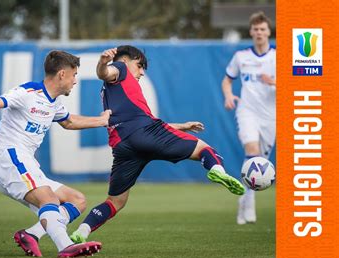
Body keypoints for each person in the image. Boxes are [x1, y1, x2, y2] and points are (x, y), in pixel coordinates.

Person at [70, 45, 245, 243]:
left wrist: (182, 126)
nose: (142, 72)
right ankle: (218, 171)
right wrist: (103, 62)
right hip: (145, 133)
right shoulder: (121, 67)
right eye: (140, 65)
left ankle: (82, 231)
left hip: (123, 145)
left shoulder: (118, 92)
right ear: (126, 61)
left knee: (115, 202)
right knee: (204, 149)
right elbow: (105, 73)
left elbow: (148, 123)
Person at [0, 50, 110, 258]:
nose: (75, 81)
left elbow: (69, 122)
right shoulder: (28, 93)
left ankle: (31, 234)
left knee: (77, 200)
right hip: (10, 159)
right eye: (74, 75)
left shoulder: (54, 102)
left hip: (26, 163)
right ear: (62, 74)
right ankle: (65, 246)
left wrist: (102, 121)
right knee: (49, 200)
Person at [221, 11, 276, 225]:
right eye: (256, 29)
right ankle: (250, 202)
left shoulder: (278, 57)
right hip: (247, 111)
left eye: (263, 29)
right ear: (251, 32)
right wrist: (228, 95)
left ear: (268, 32)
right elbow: (227, 80)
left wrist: (272, 82)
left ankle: (243, 199)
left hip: (271, 116)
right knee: (252, 153)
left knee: (262, 161)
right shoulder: (241, 56)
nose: (259, 32)